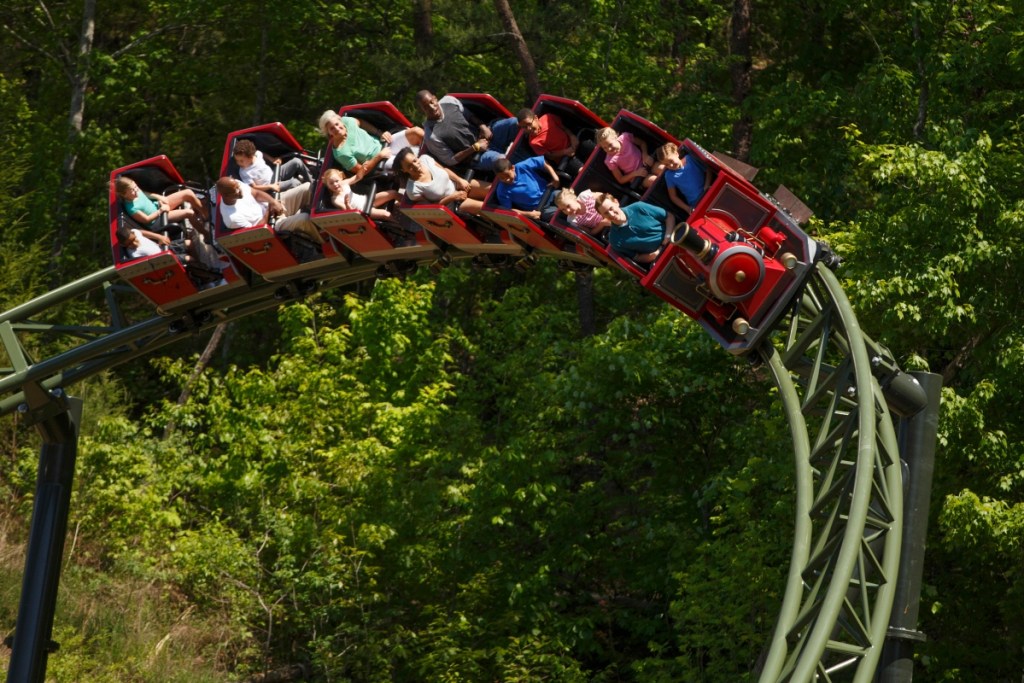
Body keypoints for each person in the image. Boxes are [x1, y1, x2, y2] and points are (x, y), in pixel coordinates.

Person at [415, 90, 519, 172]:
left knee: (515, 123)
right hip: (476, 156)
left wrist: (482, 126)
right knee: (501, 160)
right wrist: (475, 147)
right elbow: (451, 160)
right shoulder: (431, 135)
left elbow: (469, 115)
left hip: (486, 134)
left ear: (435, 98)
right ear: (421, 111)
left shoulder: (449, 101)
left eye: (431, 102)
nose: (432, 108)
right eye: (426, 107)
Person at [215, 176, 323, 246]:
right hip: (272, 226)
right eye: (236, 190)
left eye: (238, 186)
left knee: (307, 188)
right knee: (303, 218)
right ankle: (323, 242)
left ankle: (325, 214)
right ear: (226, 195)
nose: (240, 190)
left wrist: (273, 202)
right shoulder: (231, 218)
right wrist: (269, 209)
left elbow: (256, 193)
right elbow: (259, 232)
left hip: (273, 205)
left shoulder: (235, 183)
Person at [318, 110, 423, 180]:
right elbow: (360, 171)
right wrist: (379, 157)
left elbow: (361, 122)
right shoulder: (341, 153)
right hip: (380, 162)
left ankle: (435, 146)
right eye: (332, 128)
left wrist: (379, 133)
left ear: (340, 121)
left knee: (416, 132)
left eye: (337, 124)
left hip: (385, 143)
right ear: (329, 133)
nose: (336, 128)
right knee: (409, 161)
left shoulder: (347, 121)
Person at [395, 147, 490, 215]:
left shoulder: (425, 159)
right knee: (486, 207)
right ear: (404, 170)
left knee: (491, 189)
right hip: (451, 204)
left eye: (415, 160)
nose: (415, 166)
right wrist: (453, 197)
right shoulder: (413, 190)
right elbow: (432, 209)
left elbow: (445, 170)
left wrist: (460, 180)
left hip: (456, 185)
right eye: (409, 166)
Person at [594, 193, 675, 264]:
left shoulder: (638, 207)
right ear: (602, 216)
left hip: (673, 239)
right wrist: (654, 255)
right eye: (606, 213)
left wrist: (667, 238)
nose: (611, 214)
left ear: (616, 202)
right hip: (660, 259)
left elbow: (669, 217)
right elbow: (636, 257)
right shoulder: (614, 240)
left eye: (611, 208)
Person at [115, 177, 209, 232]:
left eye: (135, 187)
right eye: (132, 190)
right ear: (124, 194)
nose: (136, 190)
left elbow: (147, 194)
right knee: (189, 212)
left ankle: (206, 215)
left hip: (158, 206)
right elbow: (147, 220)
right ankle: (206, 234)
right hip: (157, 220)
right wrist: (161, 210)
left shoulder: (137, 191)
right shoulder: (131, 208)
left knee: (188, 193)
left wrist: (159, 198)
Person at [516, 108, 585, 176]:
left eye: (529, 124)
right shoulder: (533, 142)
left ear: (536, 118)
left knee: (592, 149)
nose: (529, 128)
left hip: (574, 144)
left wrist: (572, 136)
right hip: (565, 158)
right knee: (582, 171)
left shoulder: (548, 118)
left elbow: (563, 127)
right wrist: (566, 152)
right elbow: (549, 155)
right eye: (524, 127)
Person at [492, 155, 560, 221]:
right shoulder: (502, 191)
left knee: (567, 199)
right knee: (559, 213)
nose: (506, 179)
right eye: (502, 178)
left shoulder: (521, 167)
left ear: (512, 168)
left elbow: (542, 161)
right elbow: (509, 211)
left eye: (507, 175)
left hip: (549, 193)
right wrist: (529, 214)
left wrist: (555, 177)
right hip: (540, 208)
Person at [232, 139, 310, 193]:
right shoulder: (244, 172)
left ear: (250, 156)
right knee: (295, 182)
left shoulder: (257, 154)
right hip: (269, 186)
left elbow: (262, 154)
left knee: (296, 161)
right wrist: (270, 187)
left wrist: (273, 159)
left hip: (275, 174)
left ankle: (312, 182)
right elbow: (253, 187)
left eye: (241, 160)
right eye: (237, 161)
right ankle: (308, 192)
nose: (239, 163)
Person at [320, 168, 397, 220]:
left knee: (393, 193)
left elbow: (357, 177)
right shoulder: (335, 199)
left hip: (367, 200)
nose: (335, 184)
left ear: (341, 178)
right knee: (385, 214)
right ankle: (401, 226)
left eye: (336, 181)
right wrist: (347, 204)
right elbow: (349, 212)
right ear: (327, 185)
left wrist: (362, 169)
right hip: (364, 210)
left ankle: (406, 203)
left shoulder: (344, 183)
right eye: (331, 183)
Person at [656, 142, 711, 213]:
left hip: (708, 192)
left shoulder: (690, 159)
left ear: (676, 154)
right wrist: (687, 208)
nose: (671, 165)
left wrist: (706, 186)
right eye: (667, 165)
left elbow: (708, 170)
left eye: (671, 161)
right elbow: (673, 197)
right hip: (696, 203)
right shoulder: (668, 175)